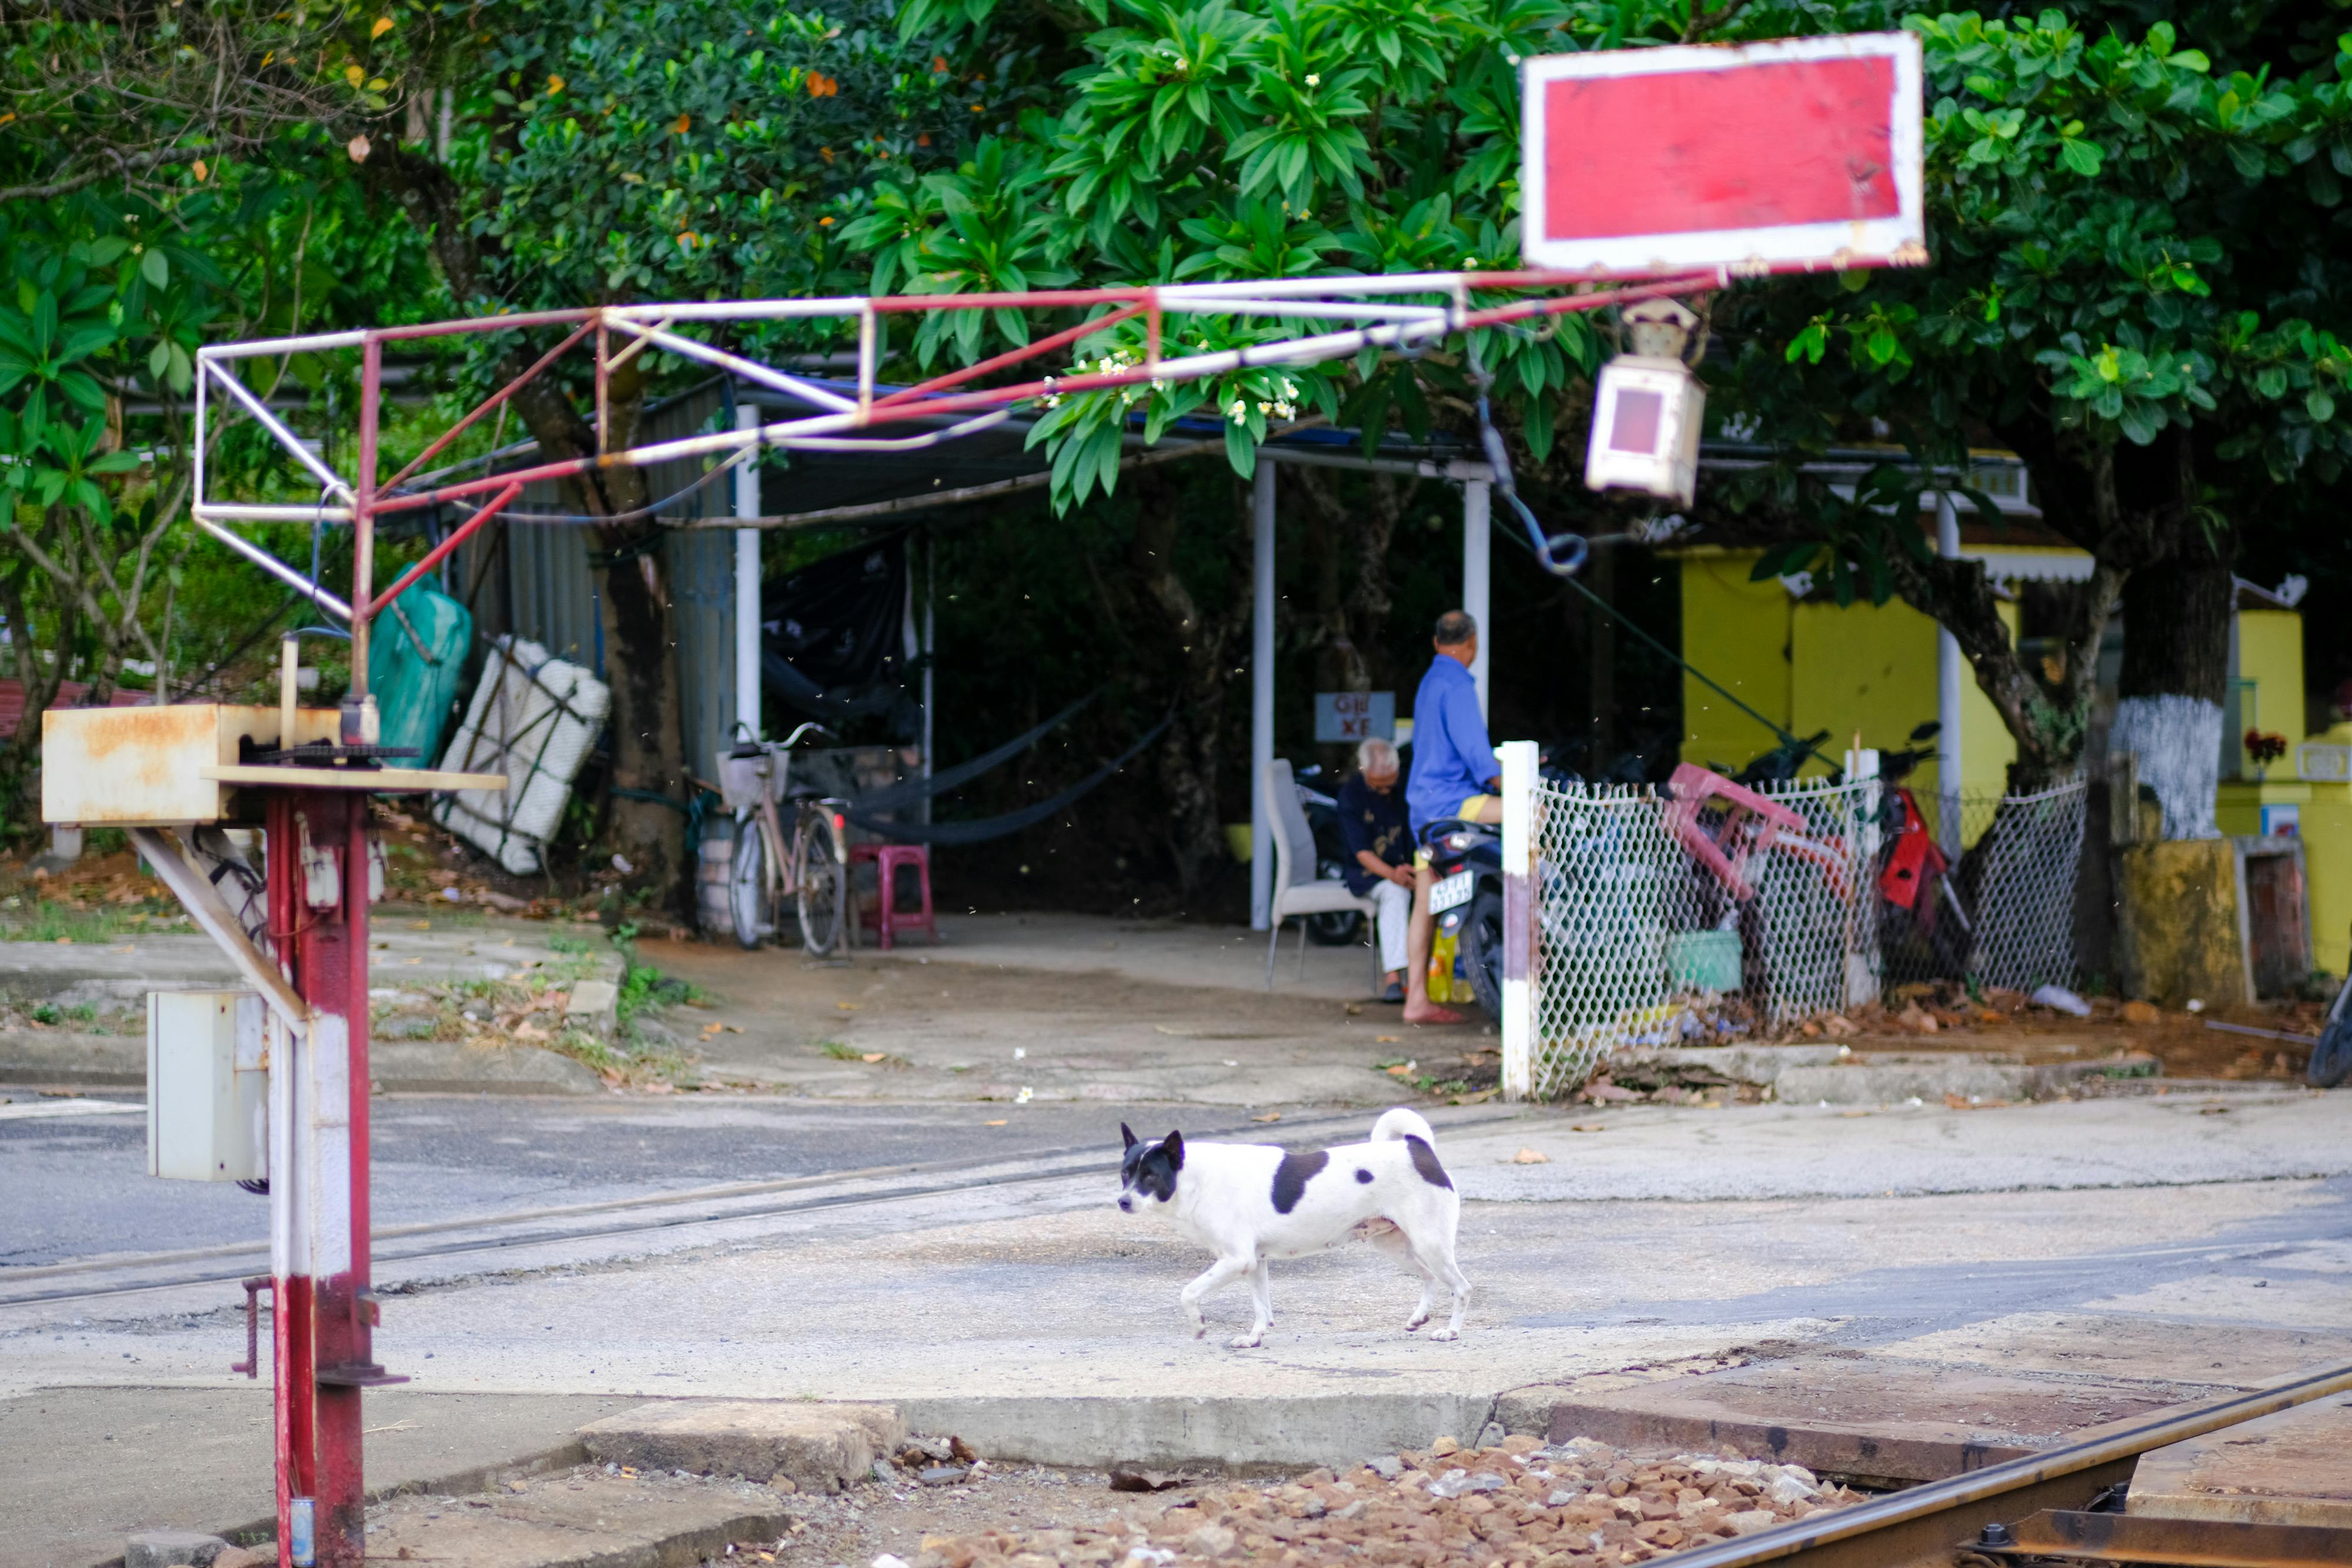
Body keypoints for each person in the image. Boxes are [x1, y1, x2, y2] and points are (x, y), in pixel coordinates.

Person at [1396, 609, 1498, 1025]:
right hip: (1455, 804)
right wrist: (1520, 782)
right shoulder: (1457, 685)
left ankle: (1415, 999)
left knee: (1424, 902)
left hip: (1423, 810)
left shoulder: (1428, 682)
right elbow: (1482, 763)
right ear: (1471, 643)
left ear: (1437, 643)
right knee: (1536, 813)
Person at [1337, 737, 1415, 1004]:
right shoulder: (1350, 795)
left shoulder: (1407, 781)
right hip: (1370, 873)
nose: (1385, 792)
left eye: (1389, 785)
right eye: (1377, 786)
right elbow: (1362, 853)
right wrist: (1395, 874)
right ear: (1363, 770)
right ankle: (1394, 977)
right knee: (1395, 893)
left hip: (1413, 864)